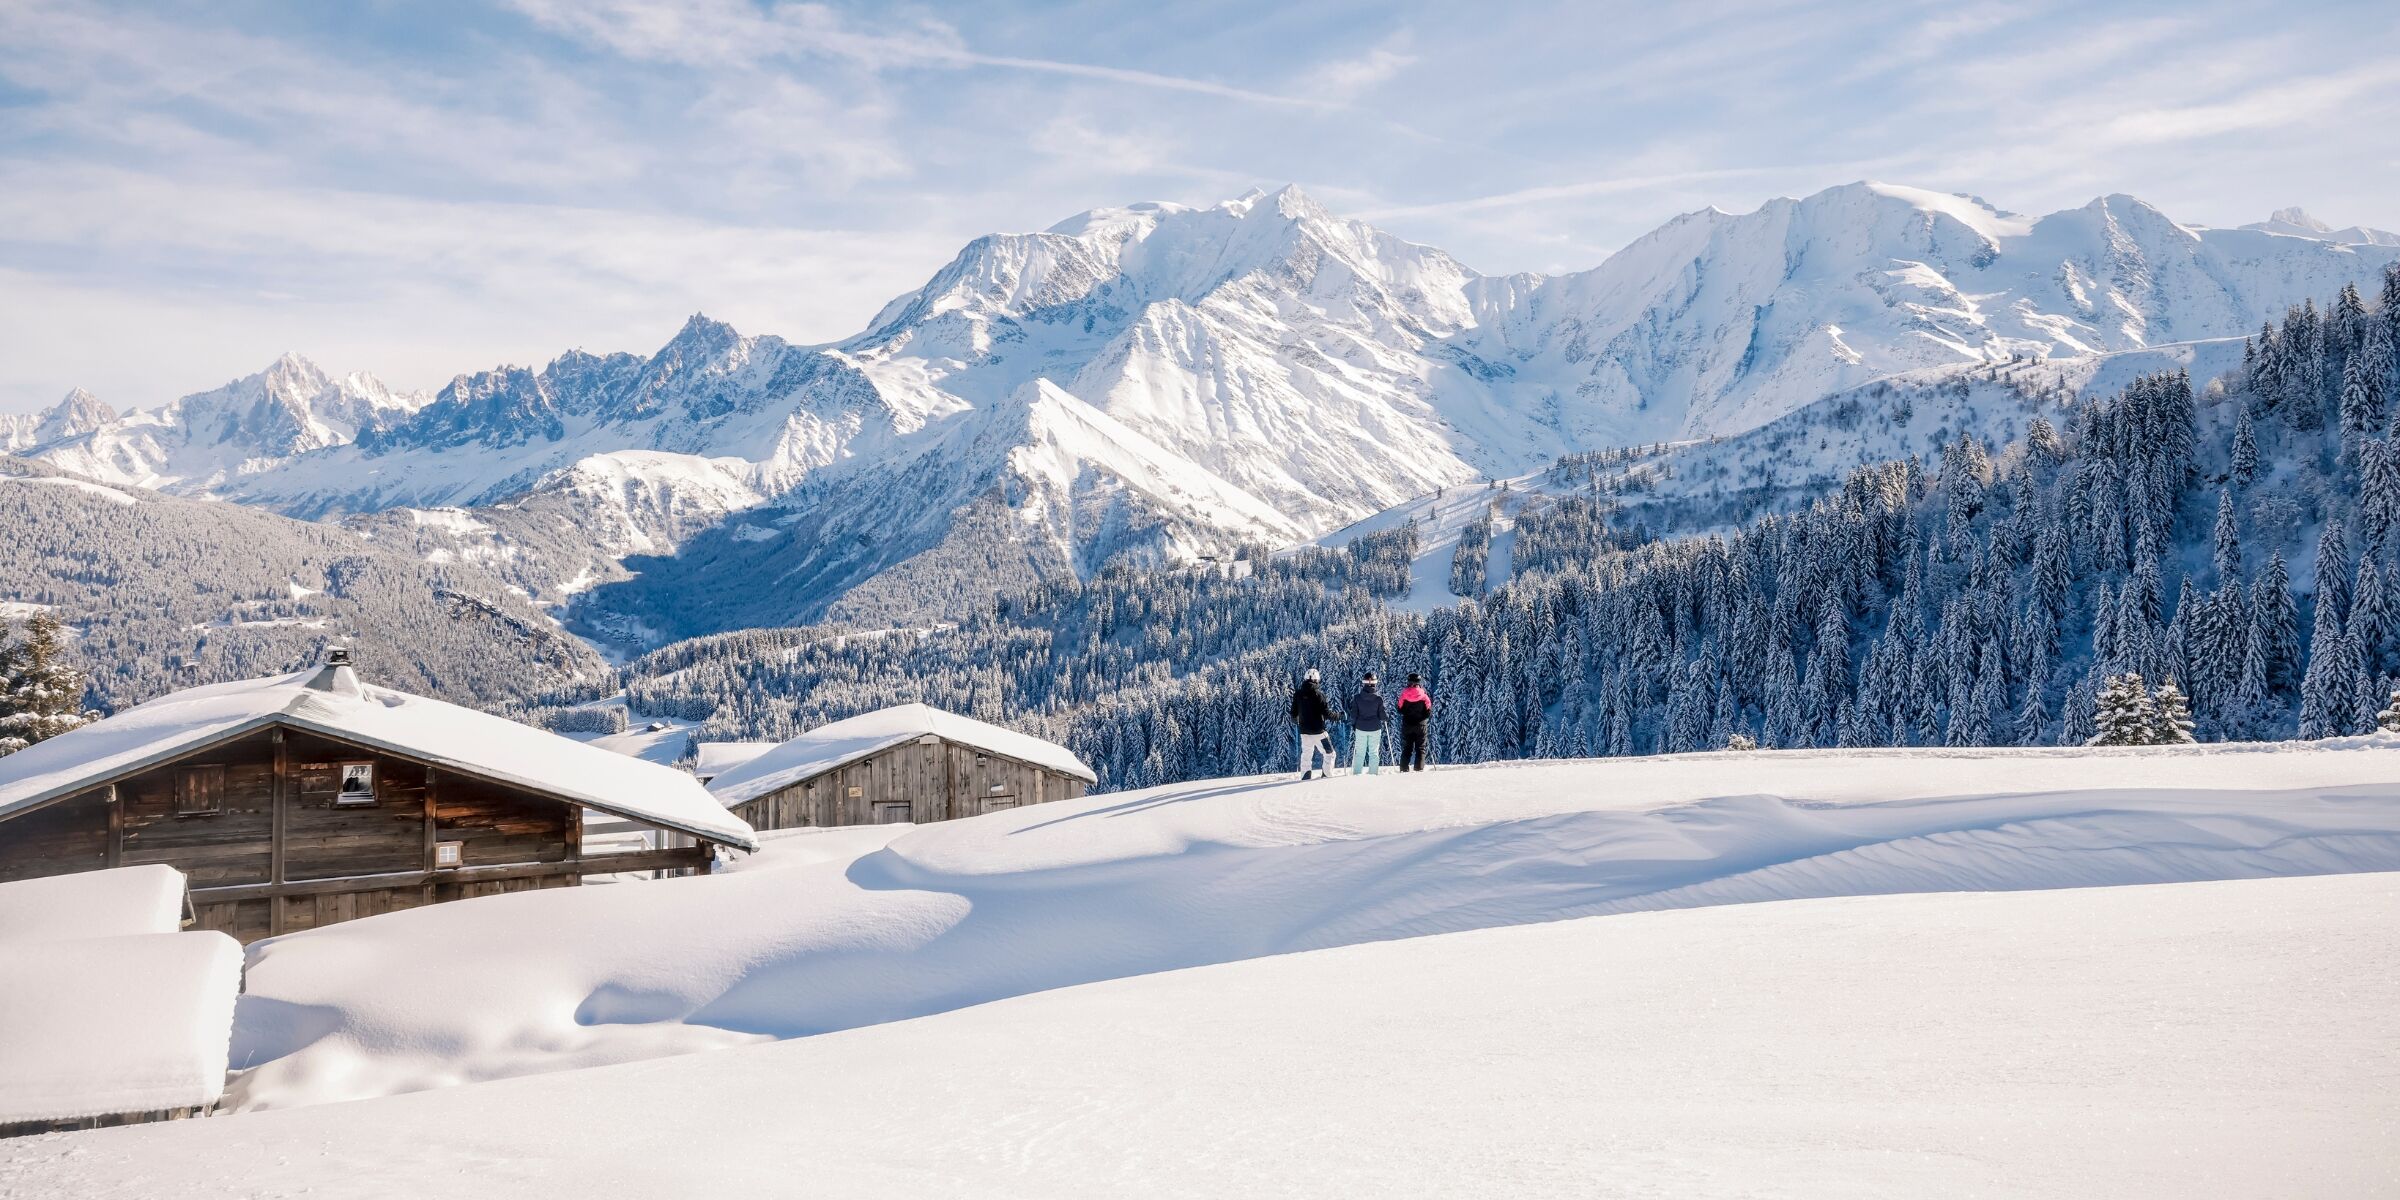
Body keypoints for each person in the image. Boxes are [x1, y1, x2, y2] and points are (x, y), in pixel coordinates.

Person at [1290, 669, 1337, 780]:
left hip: (1304, 731)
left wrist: (1298, 720)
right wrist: (1339, 716)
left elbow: (1293, 713)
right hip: (1319, 731)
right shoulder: (1319, 695)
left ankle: (1305, 776)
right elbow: (1327, 714)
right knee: (1330, 753)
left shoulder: (1298, 694)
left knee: (1306, 754)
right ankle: (1327, 775)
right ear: (1317, 680)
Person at [1347, 673, 1386, 775]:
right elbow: (1382, 715)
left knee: (1360, 753)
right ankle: (1373, 773)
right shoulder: (1378, 699)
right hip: (1375, 728)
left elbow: (1354, 714)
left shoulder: (1357, 698)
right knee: (1374, 753)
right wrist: (1386, 718)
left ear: (1363, 683)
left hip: (1361, 728)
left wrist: (1353, 724)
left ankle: (1357, 773)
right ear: (1375, 683)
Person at [1396, 672, 1433, 772]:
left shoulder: (1404, 695)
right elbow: (1428, 712)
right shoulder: (1424, 696)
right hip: (1421, 725)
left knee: (1407, 748)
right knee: (1420, 748)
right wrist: (1422, 718)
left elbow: (1399, 709)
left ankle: (1404, 769)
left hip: (1407, 725)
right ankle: (1419, 768)